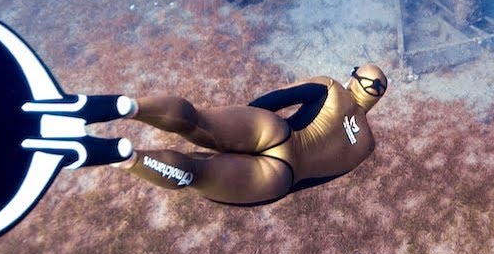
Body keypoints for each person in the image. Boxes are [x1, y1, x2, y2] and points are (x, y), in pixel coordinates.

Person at [117, 64, 388, 205]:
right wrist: (281, 184)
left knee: (196, 120)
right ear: (375, 99)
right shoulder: (366, 146)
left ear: (354, 79)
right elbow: (315, 180)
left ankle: (127, 107)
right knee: (195, 173)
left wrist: (239, 125)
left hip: (273, 131)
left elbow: (278, 98)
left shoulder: (331, 86)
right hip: (282, 176)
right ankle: (124, 158)